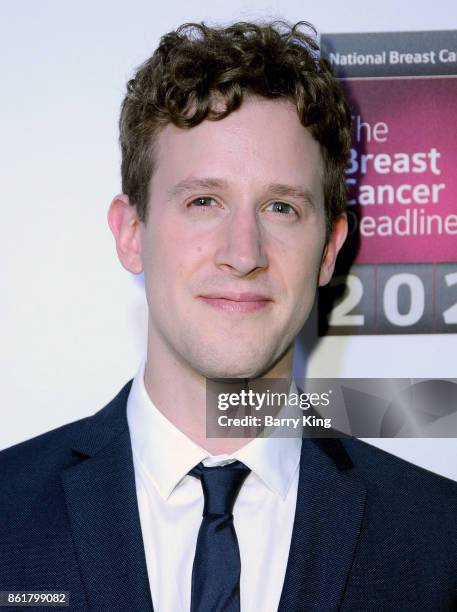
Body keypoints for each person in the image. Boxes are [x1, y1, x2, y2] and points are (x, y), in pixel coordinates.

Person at [1, 20, 456, 612]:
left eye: (281, 207)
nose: (244, 253)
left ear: (328, 250)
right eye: (203, 201)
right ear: (132, 233)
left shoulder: (436, 542)